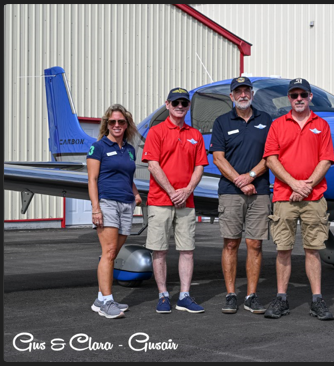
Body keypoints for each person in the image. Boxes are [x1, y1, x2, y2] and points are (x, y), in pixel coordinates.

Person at [263, 78, 334, 321]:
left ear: (310, 96)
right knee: (283, 249)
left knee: (312, 250)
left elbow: (325, 160)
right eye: (294, 95)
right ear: (289, 98)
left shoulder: (322, 125)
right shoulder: (277, 125)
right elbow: (271, 159)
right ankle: (281, 298)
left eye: (302, 94)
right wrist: (294, 184)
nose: (298, 99)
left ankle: (317, 300)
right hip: (284, 196)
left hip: (314, 198)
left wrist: (306, 187)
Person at [142, 87, 209, 314]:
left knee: (187, 250)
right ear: (167, 104)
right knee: (159, 250)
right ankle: (162, 295)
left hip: (186, 203)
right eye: (175, 103)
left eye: (183, 103)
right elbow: (153, 164)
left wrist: (187, 190)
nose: (180, 107)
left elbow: (200, 166)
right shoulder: (157, 132)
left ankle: (184, 296)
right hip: (161, 200)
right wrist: (173, 191)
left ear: (187, 106)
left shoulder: (195, 135)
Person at [209, 77, 272, 314]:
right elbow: (218, 158)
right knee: (231, 243)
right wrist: (239, 180)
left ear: (252, 95)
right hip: (230, 193)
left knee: (255, 244)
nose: (243, 94)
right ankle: (231, 294)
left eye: (247, 91)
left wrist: (251, 176)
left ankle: (251, 295)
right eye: (238, 91)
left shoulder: (266, 120)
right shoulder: (222, 122)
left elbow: (271, 155)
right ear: (231, 96)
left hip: (260, 191)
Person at [87, 103, 142, 319]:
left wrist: (135, 193)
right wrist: (95, 209)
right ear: (107, 124)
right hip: (107, 202)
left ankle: (101, 298)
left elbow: (127, 177)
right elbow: (92, 180)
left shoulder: (128, 149)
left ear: (126, 124)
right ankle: (107, 302)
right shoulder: (98, 147)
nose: (117, 125)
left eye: (121, 121)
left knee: (112, 253)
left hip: (127, 204)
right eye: (112, 122)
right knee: (109, 252)